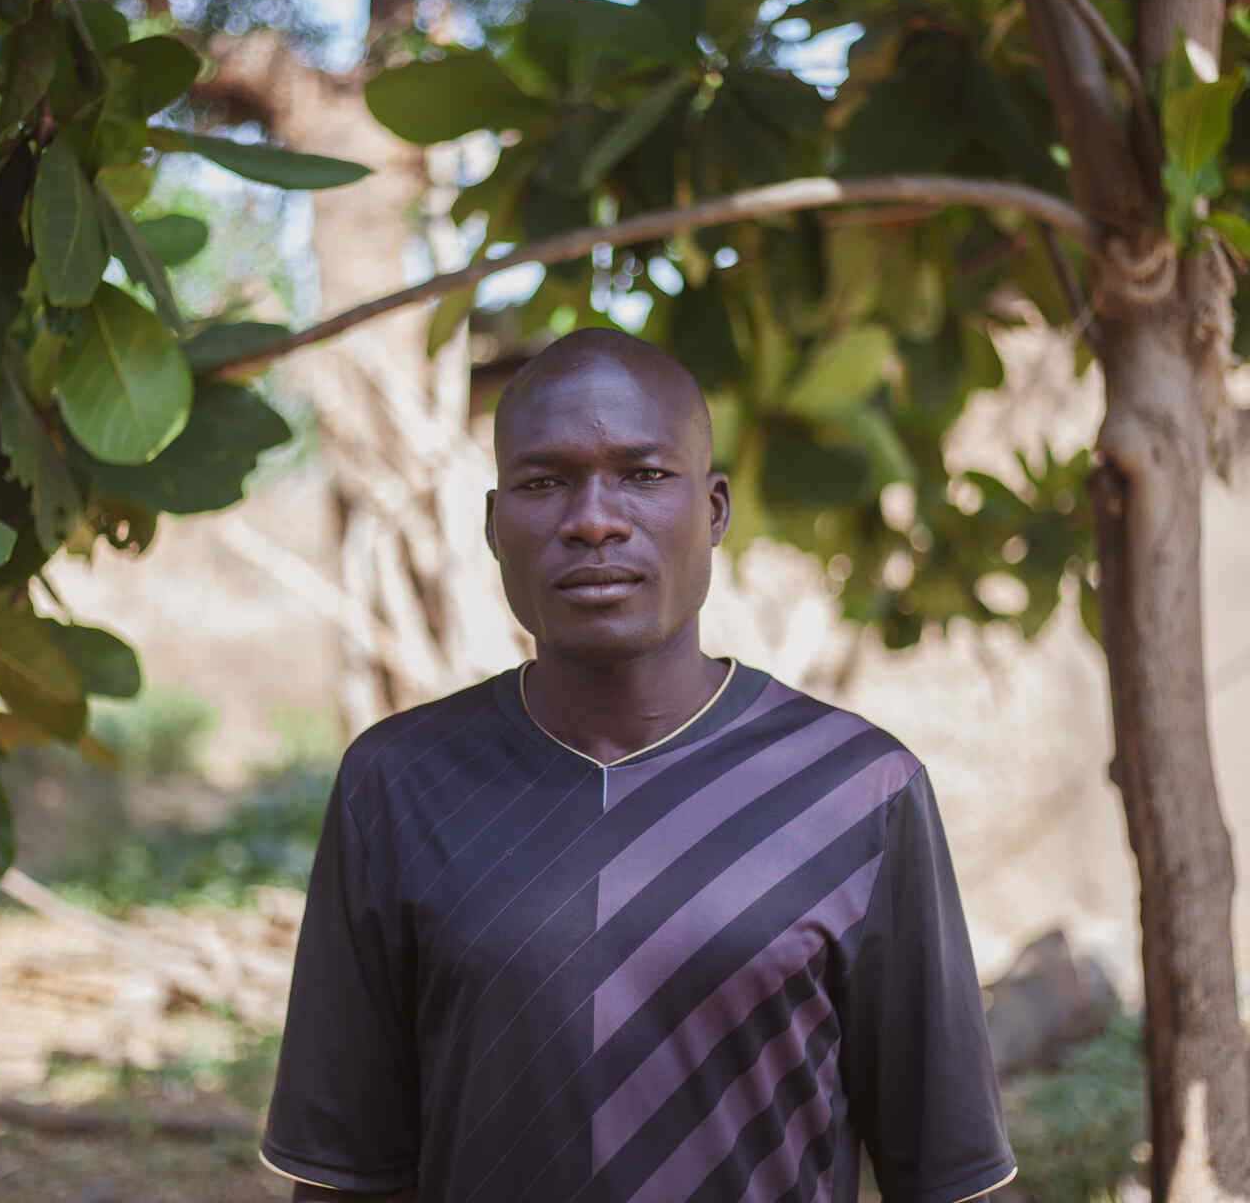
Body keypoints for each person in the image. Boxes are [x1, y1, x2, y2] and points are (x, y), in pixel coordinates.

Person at [260, 328, 1017, 1203]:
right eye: (544, 483)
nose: (593, 520)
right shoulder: (397, 786)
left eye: (644, 475)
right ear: (493, 524)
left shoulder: (858, 793)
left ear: (715, 509)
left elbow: (946, 1173)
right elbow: (344, 1172)